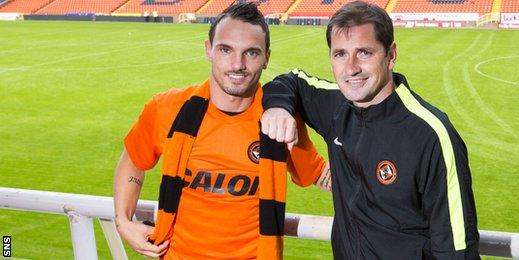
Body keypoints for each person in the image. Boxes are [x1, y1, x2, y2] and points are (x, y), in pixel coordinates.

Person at [260, 1, 479, 259]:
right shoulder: (336, 107)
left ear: (391, 55)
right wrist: (277, 108)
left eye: (364, 52)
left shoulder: (432, 135)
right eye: (340, 54)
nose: (351, 67)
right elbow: (291, 81)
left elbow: (456, 251)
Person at [113, 3, 331, 259]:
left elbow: (318, 174)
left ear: (266, 58)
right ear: (209, 50)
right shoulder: (167, 107)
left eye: (251, 53)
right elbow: (133, 161)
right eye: (226, 50)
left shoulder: (279, 119)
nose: (237, 64)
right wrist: (123, 221)